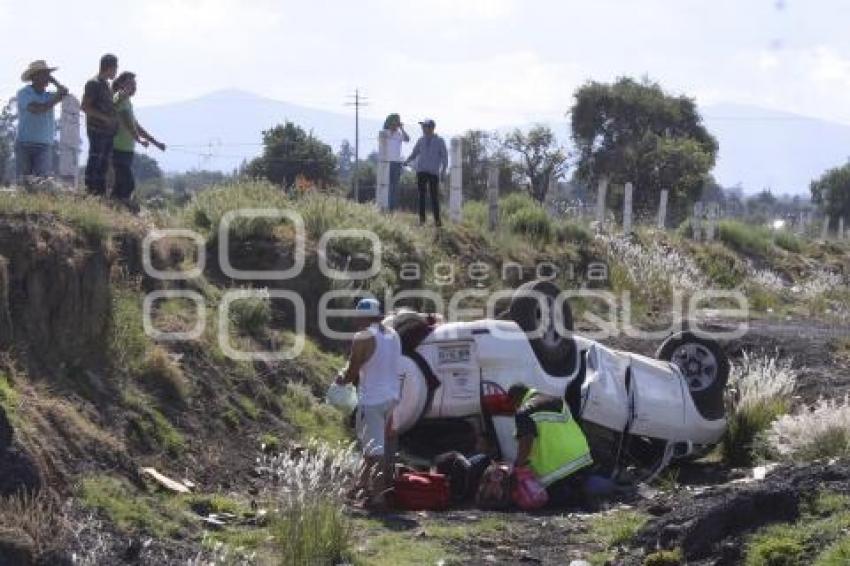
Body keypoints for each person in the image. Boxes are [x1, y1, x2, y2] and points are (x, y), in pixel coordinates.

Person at [336, 298, 402, 506]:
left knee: (375, 451)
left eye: (358, 316)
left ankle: (378, 496)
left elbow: (352, 371)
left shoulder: (363, 336)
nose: (355, 320)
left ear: (364, 316)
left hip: (372, 399)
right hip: (391, 396)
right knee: (371, 446)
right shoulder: (393, 335)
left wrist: (340, 379)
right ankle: (360, 486)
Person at [508, 384, 594, 507]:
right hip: (582, 462)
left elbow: (526, 440)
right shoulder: (558, 400)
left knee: (547, 503)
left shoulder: (524, 411)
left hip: (558, 474)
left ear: (514, 399)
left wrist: (518, 466)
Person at [111, 72, 166, 207]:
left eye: (135, 85)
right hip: (117, 147)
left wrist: (155, 143)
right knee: (128, 184)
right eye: (131, 84)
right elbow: (128, 124)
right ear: (122, 84)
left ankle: (114, 208)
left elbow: (136, 125)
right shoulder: (120, 98)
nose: (134, 87)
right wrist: (139, 140)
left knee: (120, 185)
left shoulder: (127, 102)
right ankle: (121, 209)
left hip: (127, 149)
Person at [15, 61, 68, 180]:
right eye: (44, 74)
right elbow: (37, 109)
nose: (47, 77)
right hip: (24, 144)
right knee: (24, 181)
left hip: (44, 146)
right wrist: (55, 100)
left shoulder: (49, 95)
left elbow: (64, 91)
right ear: (34, 77)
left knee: (42, 182)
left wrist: (55, 82)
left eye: (48, 74)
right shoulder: (24, 93)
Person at [81, 54, 119, 195]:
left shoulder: (106, 85)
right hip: (96, 130)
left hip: (108, 132)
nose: (116, 71)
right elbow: (85, 107)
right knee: (95, 161)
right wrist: (104, 118)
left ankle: (100, 194)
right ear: (109, 67)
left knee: (103, 165)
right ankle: (90, 192)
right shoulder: (93, 83)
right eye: (115, 67)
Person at [403, 119, 447, 227]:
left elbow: (445, 157)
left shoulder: (440, 140)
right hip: (421, 171)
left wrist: (443, 170)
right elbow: (414, 153)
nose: (422, 128)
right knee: (421, 196)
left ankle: (437, 221)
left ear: (431, 128)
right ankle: (422, 220)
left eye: (425, 126)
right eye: (422, 126)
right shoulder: (420, 140)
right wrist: (407, 161)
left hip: (433, 172)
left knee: (434, 197)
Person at [383, 114, 409, 211]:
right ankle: (386, 206)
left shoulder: (399, 134)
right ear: (389, 124)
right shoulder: (385, 133)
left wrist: (402, 129)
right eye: (394, 123)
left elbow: (407, 139)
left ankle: (392, 207)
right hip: (387, 163)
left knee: (395, 186)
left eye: (397, 124)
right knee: (387, 185)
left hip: (397, 163)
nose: (395, 126)